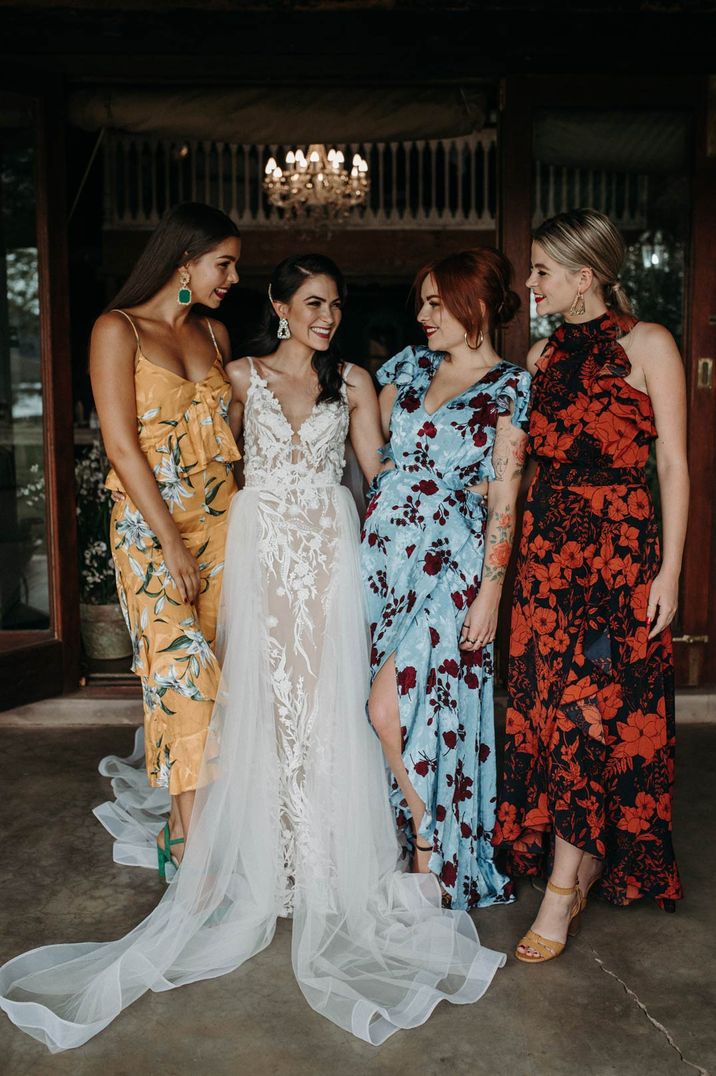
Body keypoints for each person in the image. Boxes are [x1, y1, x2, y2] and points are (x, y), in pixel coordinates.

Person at [0, 253, 506, 1053]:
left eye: (336, 304)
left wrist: (463, 488)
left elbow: (382, 478)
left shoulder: (358, 383)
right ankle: (265, 858)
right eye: (312, 302)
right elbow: (203, 459)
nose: (327, 317)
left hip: (332, 552)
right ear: (277, 306)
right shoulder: (233, 376)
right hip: (260, 549)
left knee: (328, 697)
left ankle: (325, 857)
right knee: (265, 698)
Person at [493, 208, 687, 964]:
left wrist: (669, 569)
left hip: (619, 563)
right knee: (547, 716)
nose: (531, 283)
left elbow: (672, 466)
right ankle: (580, 854)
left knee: (590, 718)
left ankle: (563, 892)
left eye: (541, 270)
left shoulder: (650, 345)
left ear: (584, 275)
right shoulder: (541, 357)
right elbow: (524, 466)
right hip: (547, 563)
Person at [361, 248, 532, 910]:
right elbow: (367, 440)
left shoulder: (509, 386)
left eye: (438, 303)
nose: (425, 315)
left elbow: (505, 497)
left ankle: (433, 850)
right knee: (404, 710)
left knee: (391, 706)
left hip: (454, 566)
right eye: (423, 303)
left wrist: (491, 589)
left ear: (477, 307)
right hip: (386, 561)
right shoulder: (407, 367)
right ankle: (416, 841)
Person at [89, 202, 241, 876]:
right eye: (223, 263)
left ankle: (186, 836)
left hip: (226, 529)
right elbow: (122, 447)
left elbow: (236, 446)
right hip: (152, 535)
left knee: (225, 685)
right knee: (186, 681)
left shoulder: (214, 335)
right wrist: (172, 545)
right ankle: (193, 847)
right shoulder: (117, 329)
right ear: (184, 260)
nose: (232, 277)